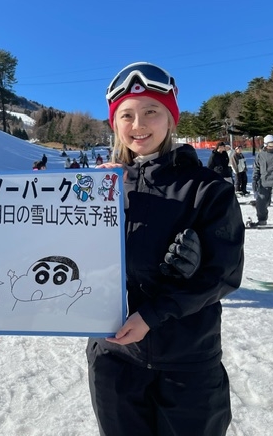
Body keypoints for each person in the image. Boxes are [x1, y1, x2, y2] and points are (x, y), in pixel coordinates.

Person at [85, 62, 244, 436]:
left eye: (151, 111)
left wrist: (154, 314)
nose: (138, 125)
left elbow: (224, 274)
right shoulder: (97, 191)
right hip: (114, 360)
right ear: (114, 124)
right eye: (126, 115)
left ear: (171, 119)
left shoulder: (207, 189)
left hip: (187, 362)